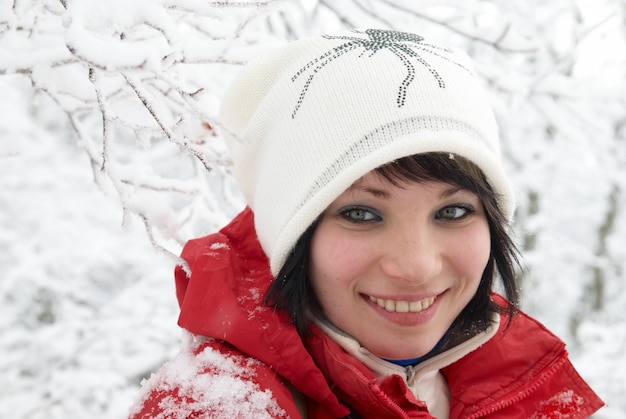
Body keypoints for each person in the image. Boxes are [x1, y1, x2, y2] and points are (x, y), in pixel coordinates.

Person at [129, 29, 604, 418]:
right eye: (361, 214)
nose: (416, 267)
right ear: (291, 235)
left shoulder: (525, 389)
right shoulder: (215, 408)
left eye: (453, 211)